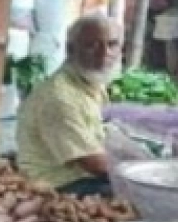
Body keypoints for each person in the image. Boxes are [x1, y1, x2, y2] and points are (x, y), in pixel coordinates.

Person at [16, 14, 123, 197]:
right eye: (92, 45)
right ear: (71, 50)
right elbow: (94, 163)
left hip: (84, 176)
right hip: (58, 187)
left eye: (112, 44)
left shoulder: (90, 84)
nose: (104, 53)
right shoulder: (58, 97)